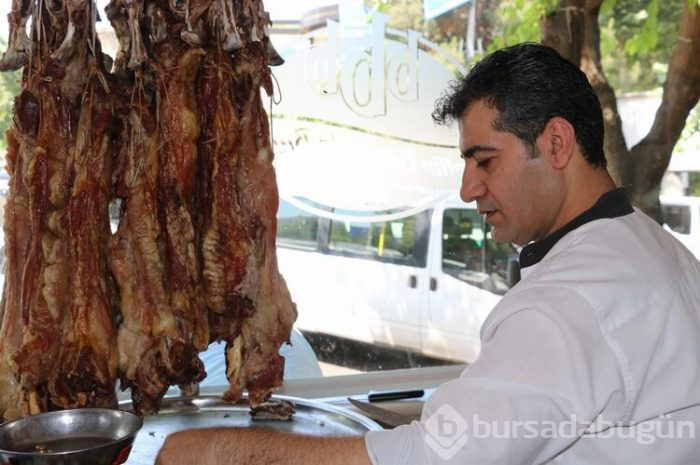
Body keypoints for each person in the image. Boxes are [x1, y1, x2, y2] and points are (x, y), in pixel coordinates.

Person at [155, 43, 700, 465]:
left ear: (556, 144)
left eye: (484, 160)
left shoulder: (570, 302)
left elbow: (436, 459)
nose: (467, 188)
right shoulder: (658, 252)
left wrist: (222, 452)